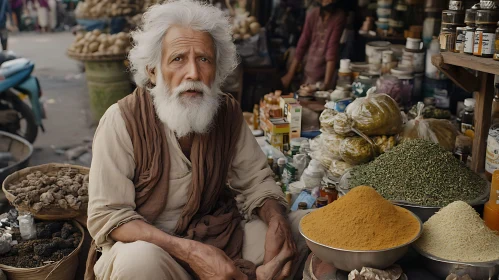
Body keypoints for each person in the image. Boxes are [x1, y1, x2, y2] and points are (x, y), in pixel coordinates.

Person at [86, 1, 310, 280]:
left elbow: (257, 182)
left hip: (218, 236)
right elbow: (110, 216)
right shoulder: (121, 120)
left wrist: (277, 222)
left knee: (305, 228)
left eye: (204, 59)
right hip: (155, 249)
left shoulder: (226, 113)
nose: (193, 73)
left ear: (217, 70)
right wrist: (189, 251)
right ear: (153, 71)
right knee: (138, 262)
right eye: (178, 59)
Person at [281, 0, 346, 90]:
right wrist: (289, 75)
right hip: (309, 70)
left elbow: (332, 49)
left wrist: (326, 84)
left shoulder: (339, 17)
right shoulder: (313, 14)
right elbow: (302, 44)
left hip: (325, 72)